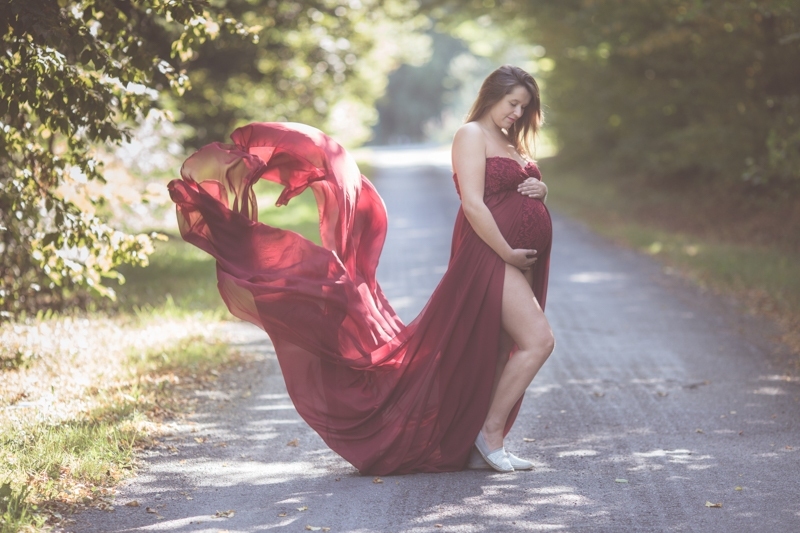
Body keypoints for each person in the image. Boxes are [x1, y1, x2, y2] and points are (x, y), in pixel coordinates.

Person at [167, 64, 553, 475]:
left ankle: (481, 439)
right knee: (538, 341)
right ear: (492, 95)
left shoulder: (509, 139)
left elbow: (520, 185)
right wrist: (509, 253)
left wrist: (540, 189)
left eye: (524, 108)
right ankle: (489, 435)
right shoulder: (471, 134)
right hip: (491, 255)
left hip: (519, 257)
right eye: (513, 104)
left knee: (495, 350)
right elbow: (474, 204)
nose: (516, 113)